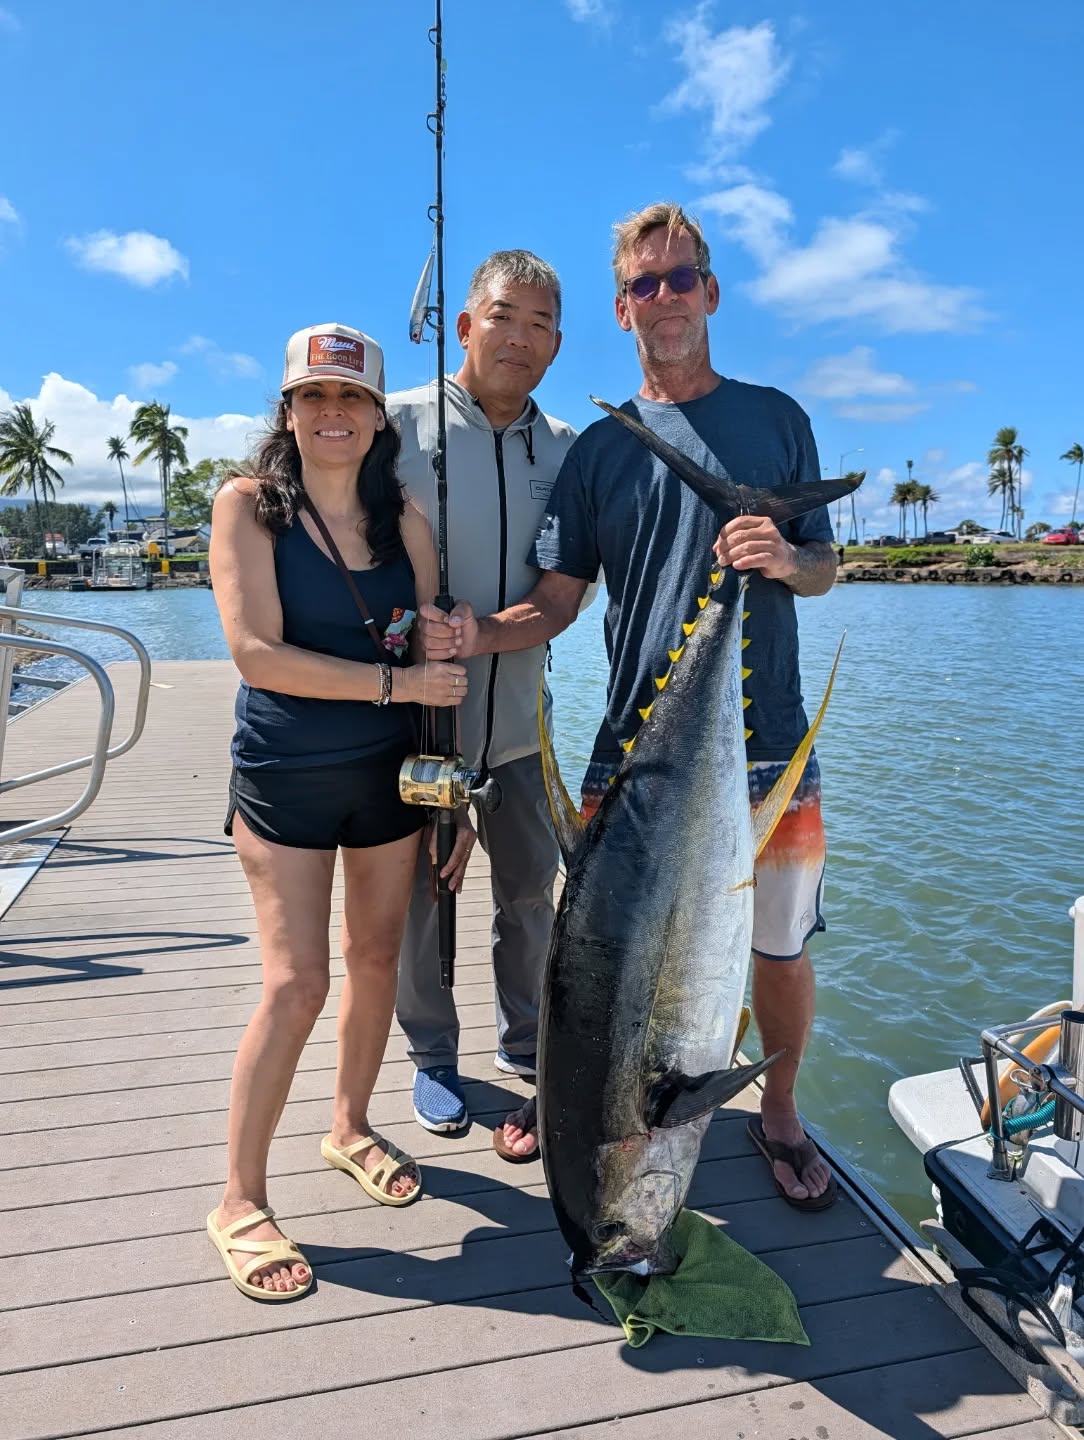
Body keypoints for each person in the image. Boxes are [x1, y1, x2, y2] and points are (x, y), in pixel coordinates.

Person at [420, 204, 840, 1209]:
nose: (664, 298)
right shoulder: (600, 450)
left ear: (711, 291)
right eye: (644, 284)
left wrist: (783, 557)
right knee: (593, 957)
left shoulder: (778, 417)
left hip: (769, 743)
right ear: (620, 308)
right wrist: (480, 633)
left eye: (680, 277)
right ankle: (569, 1095)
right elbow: (560, 599)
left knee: (778, 946)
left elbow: (824, 566)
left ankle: (778, 1111)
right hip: (632, 755)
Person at [206, 322, 473, 1301]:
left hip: (389, 780)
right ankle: (239, 1198)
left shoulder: (402, 516)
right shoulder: (246, 507)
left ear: (376, 418)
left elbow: (435, 661)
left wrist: (450, 801)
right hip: (284, 778)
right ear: (287, 411)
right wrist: (397, 687)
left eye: (351, 399)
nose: (332, 413)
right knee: (296, 983)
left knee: (375, 959)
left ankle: (350, 1124)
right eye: (313, 396)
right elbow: (257, 655)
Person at [389, 250, 581, 1147]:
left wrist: (485, 632)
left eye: (542, 323)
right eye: (505, 316)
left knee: (531, 897)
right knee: (422, 896)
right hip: (416, 729)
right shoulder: (393, 429)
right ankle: (432, 1055)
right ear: (465, 326)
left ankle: (529, 1041)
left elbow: (561, 597)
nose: (521, 337)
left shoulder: (570, 453)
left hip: (519, 734)